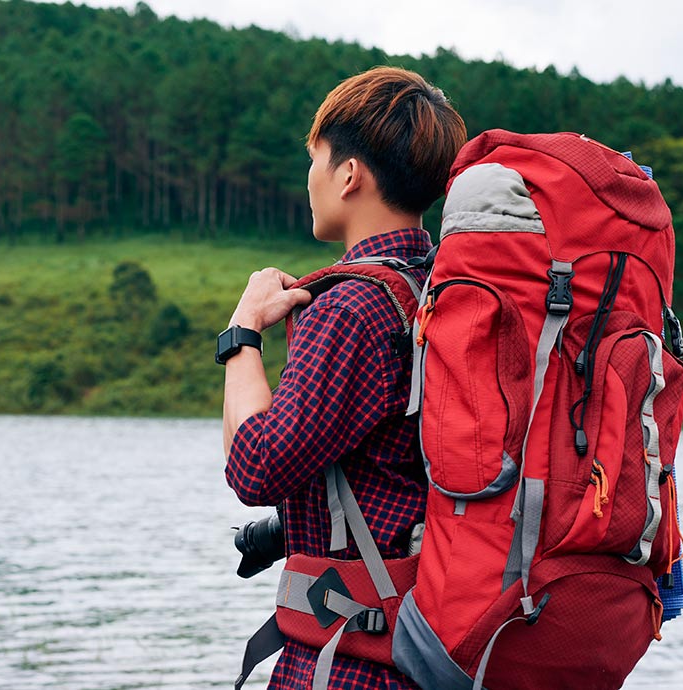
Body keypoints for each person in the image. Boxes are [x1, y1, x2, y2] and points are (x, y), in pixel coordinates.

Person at [219, 67, 467, 689]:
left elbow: (253, 468)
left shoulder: (352, 309)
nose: (311, 179)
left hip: (353, 663)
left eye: (317, 159)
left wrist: (242, 333)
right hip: (430, 646)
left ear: (349, 174)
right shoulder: (442, 290)